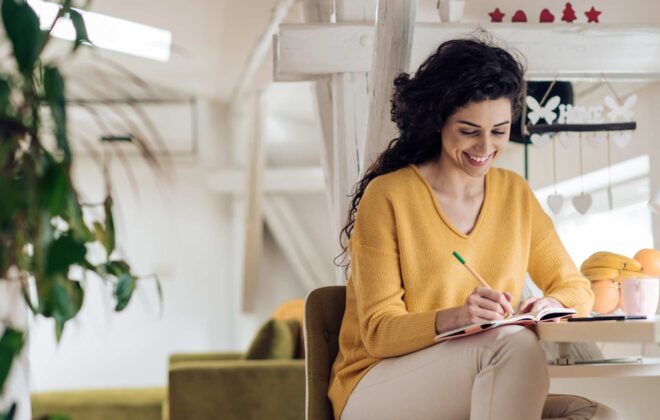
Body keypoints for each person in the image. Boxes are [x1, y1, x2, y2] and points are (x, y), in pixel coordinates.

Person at [328, 36, 622, 420]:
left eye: (499, 131)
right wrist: (458, 317)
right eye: (469, 130)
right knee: (514, 346)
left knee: (598, 416)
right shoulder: (389, 196)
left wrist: (550, 305)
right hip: (375, 386)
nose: (485, 146)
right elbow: (380, 333)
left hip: (477, 374)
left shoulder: (514, 194)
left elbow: (576, 288)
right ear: (438, 121)